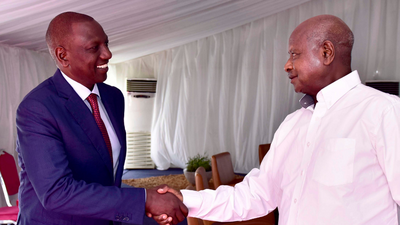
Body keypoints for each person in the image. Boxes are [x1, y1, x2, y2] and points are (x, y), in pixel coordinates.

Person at [153, 14, 400, 225]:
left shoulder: (383, 112)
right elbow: (255, 195)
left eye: (294, 54)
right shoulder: (292, 124)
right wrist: (185, 199)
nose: (286, 65)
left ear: (326, 52)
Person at [15, 12, 187, 225]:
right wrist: (144, 199)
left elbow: (107, 173)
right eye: (94, 48)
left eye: (106, 44)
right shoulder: (37, 108)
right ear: (62, 56)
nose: (108, 54)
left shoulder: (113, 97)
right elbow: (56, 192)